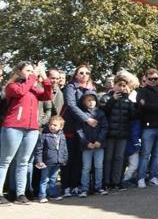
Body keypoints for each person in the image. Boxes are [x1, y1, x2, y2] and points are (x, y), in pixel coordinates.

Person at [0, 62, 52, 205]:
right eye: (28, 70)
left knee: (23, 162)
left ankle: (20, 194)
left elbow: (47, 95)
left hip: (32, 129)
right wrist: (34, 76)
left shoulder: (33, 87)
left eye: (32, 70)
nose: (31, 72)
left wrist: (44, 76)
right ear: (19, 72)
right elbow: (21, 91)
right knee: (5, 161)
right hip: (13, 127)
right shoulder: (12, 86)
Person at [62, 65, 96, 197]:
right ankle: (66, 187)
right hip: (70, 127)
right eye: (81, 73)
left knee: (79, 159)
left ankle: (76, 185)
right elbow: (71, 105)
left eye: (87, 73)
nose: (84, 75)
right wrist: (87, 119)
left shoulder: (90, 88)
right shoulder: (70, 87)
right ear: (76, 75)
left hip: (83, 130)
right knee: (68, 158)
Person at [100, 73, 136, 191]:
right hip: (109, 134)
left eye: (124, 85)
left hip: (122, 134)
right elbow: (103, 112)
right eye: (119, 85)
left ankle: (117, 182)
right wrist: (113, 99)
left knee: (119, 158)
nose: (121, 87)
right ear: (114, 85)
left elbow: (133, 116)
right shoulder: (106, 97)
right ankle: (106, 182)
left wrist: (129, 99)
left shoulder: (127, 100)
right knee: (108, 158)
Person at [136, 68, 158, 188]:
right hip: (148, 127)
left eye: (155, 78)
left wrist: (152, 105)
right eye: (150, 79)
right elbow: (142, 105)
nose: (153, 81)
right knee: (145, 154)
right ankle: (141, 178)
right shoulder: (142, 91)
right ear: (146, 79)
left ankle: (153, 177)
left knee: (157, 155)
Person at [78, 91, 108, 197]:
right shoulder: (82, 114)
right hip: (86, 146)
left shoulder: (100, 113)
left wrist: (99, 141)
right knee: (86, 167)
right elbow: (79, 130)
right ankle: (84, 189)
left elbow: (104, 128)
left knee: (99, 166)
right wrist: (86, 143)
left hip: (99, 145)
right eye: (88, 100)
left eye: (93, 100)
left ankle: (98, 187)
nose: (91, 102)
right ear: (84, 102)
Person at [34, 116, 67, 203]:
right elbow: (39, 149)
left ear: (61, 127)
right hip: (46, 162)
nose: (52, 126)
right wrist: (39, 160)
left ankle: (53, 194)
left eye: (55, 125)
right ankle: (42, 195)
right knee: (44, 179)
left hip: (57, 161)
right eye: (51, 124)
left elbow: (64, 148)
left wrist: (64, 159)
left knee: (53, 178)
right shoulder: (44, 136)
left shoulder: (62, 136)